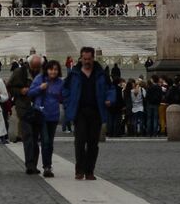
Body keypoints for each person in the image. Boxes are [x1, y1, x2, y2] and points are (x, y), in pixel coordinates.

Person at [59, 46, 115, 180]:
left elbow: (111, 89)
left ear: (93, 58)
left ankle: (89, 171)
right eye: (84, 59)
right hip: (80, 111)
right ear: (81, 58)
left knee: (93, 143)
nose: (87, 61)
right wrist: (68, 104)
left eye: (89, 59)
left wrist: (110, 99)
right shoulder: (74, 73)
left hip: (96, 111)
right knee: (79, 141)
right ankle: (79, 170)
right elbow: (65, 90)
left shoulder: (101, 73)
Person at [27, 59, 63, 175]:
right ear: (47, 69)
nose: (53, 72)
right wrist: (40, 88)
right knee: (45, 141)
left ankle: (48, 165)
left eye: (56, 69)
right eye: (51, 69)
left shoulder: (60, 83)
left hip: (54, 115)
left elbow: (63, 97)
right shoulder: (39, 79)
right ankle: (46, 167)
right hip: (41, 114)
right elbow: (30, 93)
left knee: (50, 143)